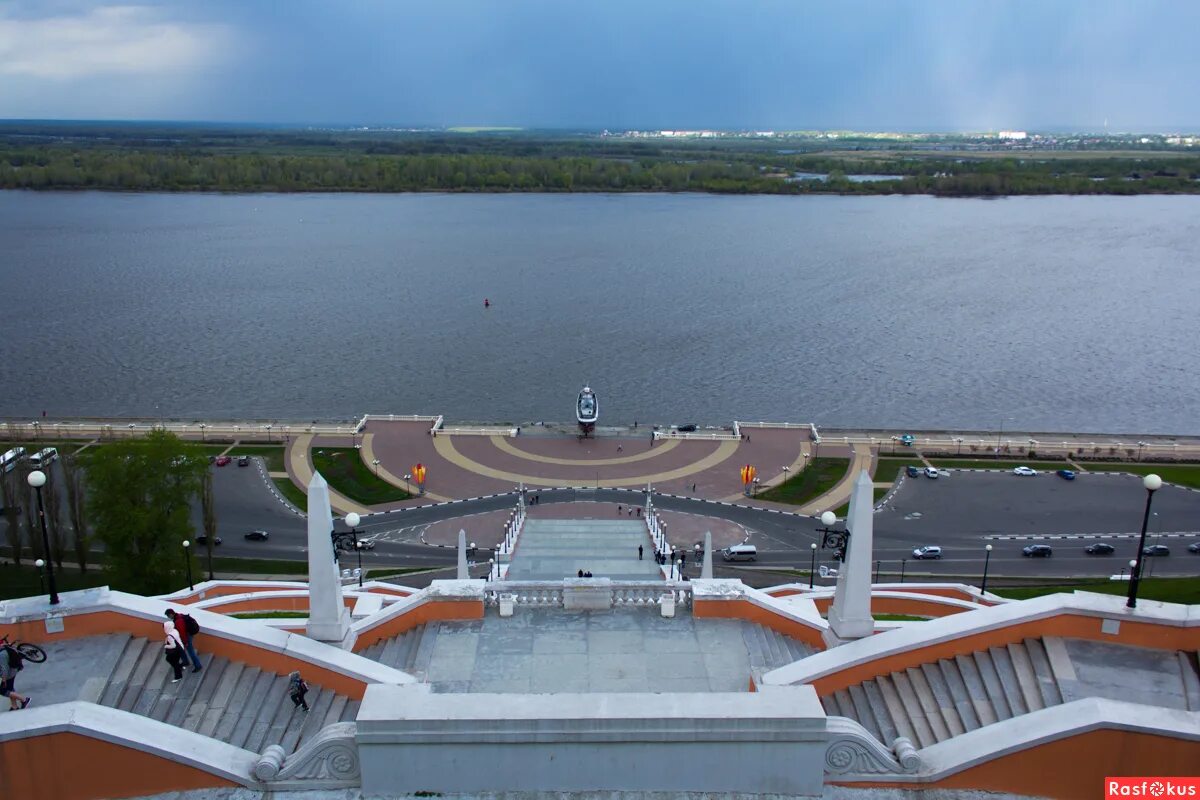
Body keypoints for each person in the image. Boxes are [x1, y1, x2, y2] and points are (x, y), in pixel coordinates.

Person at [166, 609, 202, 673]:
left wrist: (185, 642)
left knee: (191, 651)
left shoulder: (178, 621)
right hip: (186, 635)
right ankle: (185, 662)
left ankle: (198, 665)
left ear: (171, 614)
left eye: (168, 616)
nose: (168, 617)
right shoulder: (179, 616)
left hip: (186, 636)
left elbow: (182, 633)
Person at [1, 643, 31, 710]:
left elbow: (4, 669)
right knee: (10, 688)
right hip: (14, 669)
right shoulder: (4, 647)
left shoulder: (1, 655)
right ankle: (14, 706)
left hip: (10, 672)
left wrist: (3, 680)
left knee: (2, 690)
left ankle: (24, 700)